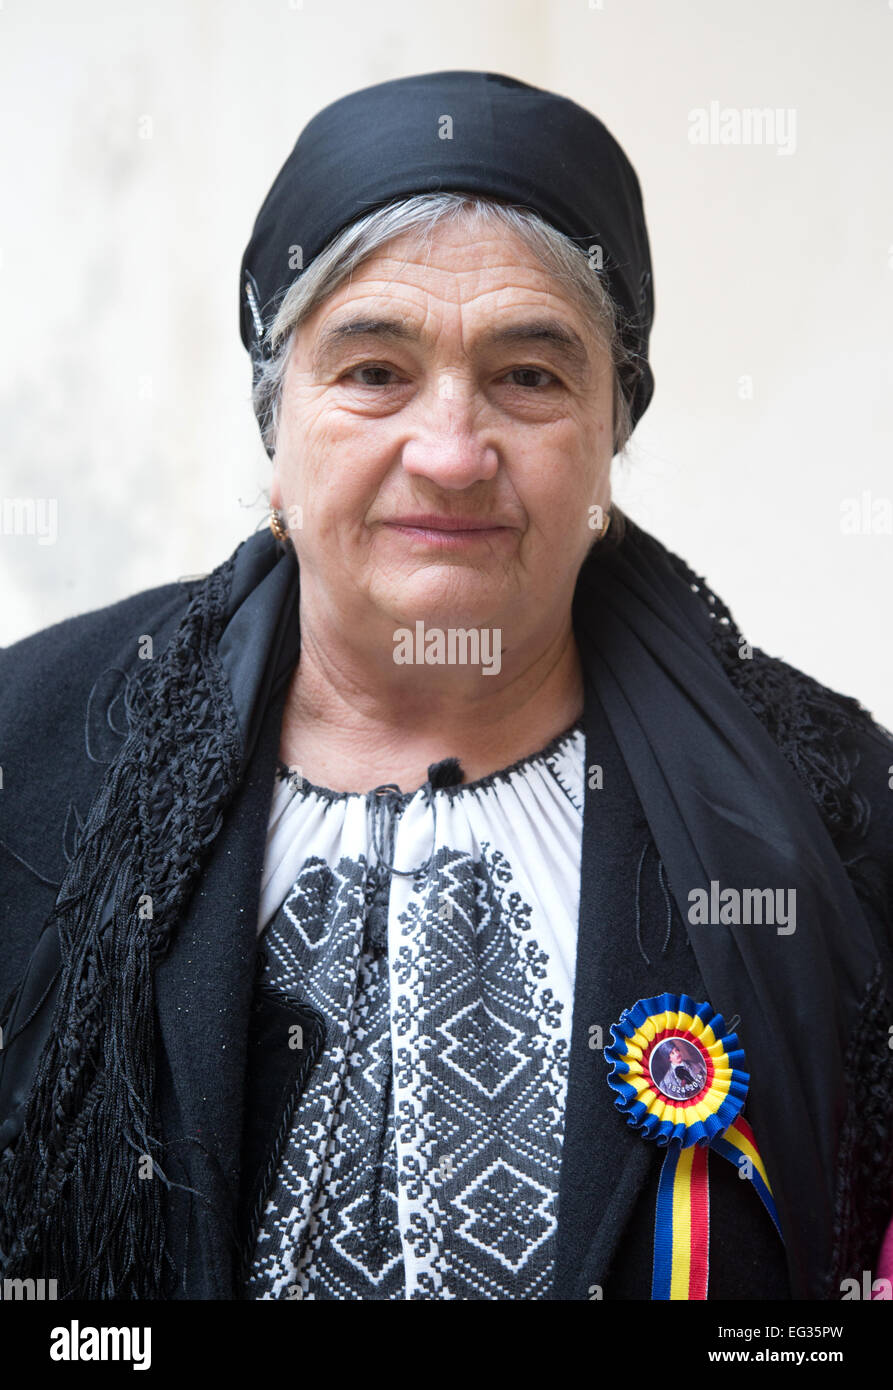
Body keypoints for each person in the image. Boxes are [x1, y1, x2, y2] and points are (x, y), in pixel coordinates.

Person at [1, 69, 892, 1303]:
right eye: (373, 371)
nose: (453, 452)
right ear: (277, 421)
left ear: (610, 430)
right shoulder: (32, 758)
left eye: (529, 376)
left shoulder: (837, 813)